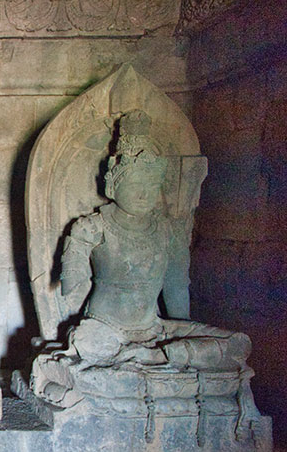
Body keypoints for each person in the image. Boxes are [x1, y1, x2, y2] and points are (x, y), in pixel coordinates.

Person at [33, 110, 259, 434]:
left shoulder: (169, 232)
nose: (143, 194)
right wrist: (77, 247)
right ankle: (156, 361)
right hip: (105, 331)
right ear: (113, 183)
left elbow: (177, 293)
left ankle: (153, 359)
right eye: (136, 183)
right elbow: (71, 287)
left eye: (151, 186)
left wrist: (182, 333)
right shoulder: (93, 226)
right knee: (94, 362)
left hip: (155, 333)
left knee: (238, 344)